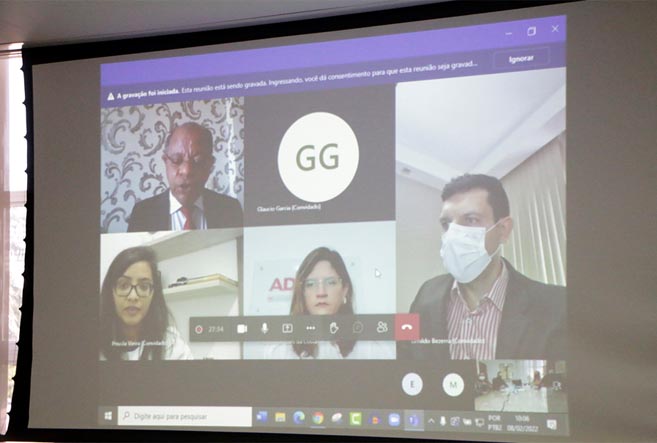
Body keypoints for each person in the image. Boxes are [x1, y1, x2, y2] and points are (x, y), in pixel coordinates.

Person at [406, 174, 566, 360]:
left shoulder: (557, 305)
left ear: (503, 230)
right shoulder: (426, 292)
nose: (453, 235)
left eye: (471, 220)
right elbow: (406, 352)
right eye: (446, 224)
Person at [266, 247, 395, 359]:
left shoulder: (371, 348)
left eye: (331, 282)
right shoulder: (278, 351)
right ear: (302, 292)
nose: (321, 292)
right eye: (311, 284)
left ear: (345, 289)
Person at [127, 122, 243, 232]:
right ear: (166, 162)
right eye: (176, 160)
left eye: (198, 161)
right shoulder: (142, 214)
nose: (186, 171)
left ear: (210, 165)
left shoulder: (231, 209)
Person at [99, 246, 193, 360]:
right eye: (123, 285)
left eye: (143, 286)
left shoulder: (173, 345)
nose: (133, 296)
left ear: (153, 293)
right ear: (111, 291)